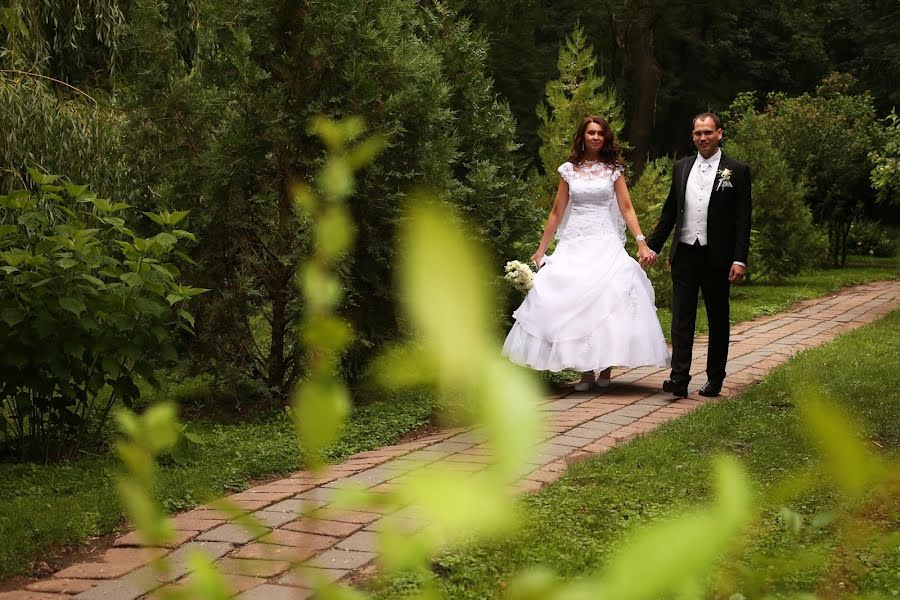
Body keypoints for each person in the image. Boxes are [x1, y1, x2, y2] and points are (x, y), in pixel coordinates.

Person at [502, 116, 670, 390]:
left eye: (600, 134)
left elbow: (626, 207)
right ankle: (585, 371)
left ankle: (605, 368)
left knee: (608, 296)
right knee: (573, 296)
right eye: (591, 133)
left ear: (605, 139)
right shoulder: (569, 170)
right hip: (575, 240)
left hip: (605, 240)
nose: (595, 137)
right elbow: (557, 212)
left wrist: (640, 241)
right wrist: (540, 250)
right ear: (582, 136)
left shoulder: (614, 170)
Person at [645, 112, 752, 398]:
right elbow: (670, 211)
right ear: (692, 136)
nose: (702, 138)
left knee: (718, 319)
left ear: (720, 133)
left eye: (708, 132)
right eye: (697, 133)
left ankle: (715, 378)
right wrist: (652, 246)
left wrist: (739, 259)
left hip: (718, 257)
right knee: (681, 319)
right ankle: (679, 379)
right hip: (685, 254)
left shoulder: (737, 170)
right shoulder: (681, 168)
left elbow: (744, 218)